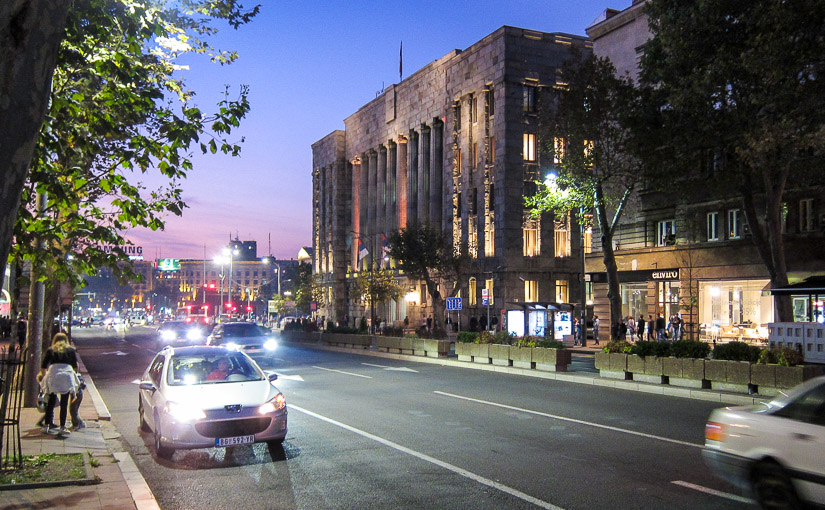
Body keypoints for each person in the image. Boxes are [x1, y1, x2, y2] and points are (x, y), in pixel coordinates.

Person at [39, 332, 80, 436]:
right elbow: (75, 366)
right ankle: (62, 427)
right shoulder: (70, 350)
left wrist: (44, 378)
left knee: (50, 402)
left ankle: (46, 426)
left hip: (53, 374)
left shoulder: (50, 350)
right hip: (66, 375)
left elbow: (43, 366)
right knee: (64, 403)